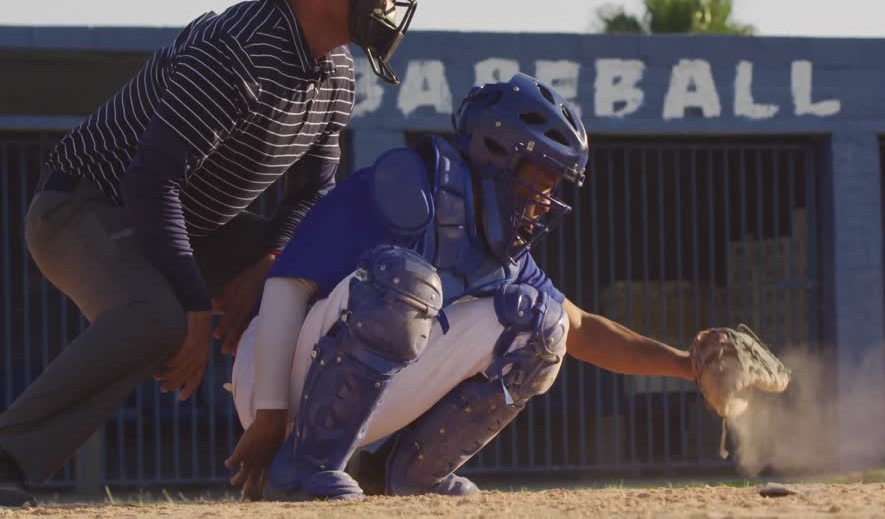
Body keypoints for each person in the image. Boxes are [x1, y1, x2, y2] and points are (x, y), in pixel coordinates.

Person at [0, 0, 423, 509]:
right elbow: (152, 180)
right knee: (159, 317)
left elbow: (315, 193)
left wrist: (269, 266)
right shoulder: (238, 50)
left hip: (195, 220)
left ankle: (313, 460)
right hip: (88, 206)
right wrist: (196, 306)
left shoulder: (336, 70)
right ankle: (9, 456)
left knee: (340, 283)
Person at [224, 74, 701, 500]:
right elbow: (287, 288)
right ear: (499, 154)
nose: (548, 198)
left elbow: (580, 328)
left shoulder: (502, 249)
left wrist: (688, 366)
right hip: (271, 377)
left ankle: (408, 475)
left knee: (543, 326)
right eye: (544, 175)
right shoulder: (400, 189)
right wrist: (268, 413)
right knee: (405, 282)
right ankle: (301, 469)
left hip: (347, 400)